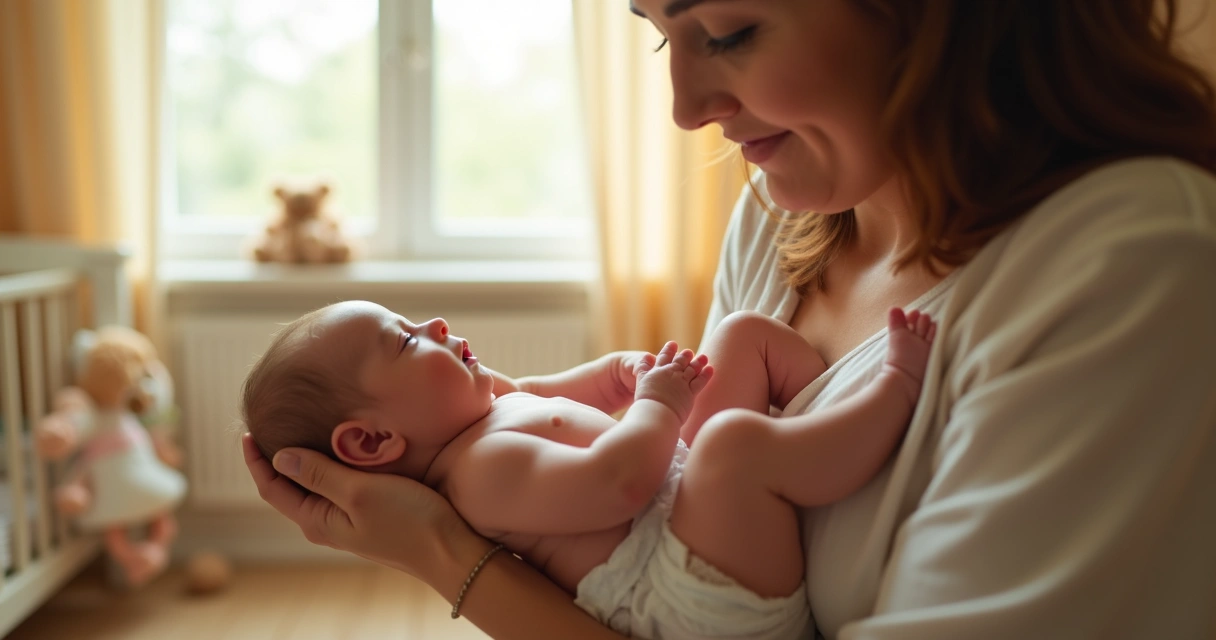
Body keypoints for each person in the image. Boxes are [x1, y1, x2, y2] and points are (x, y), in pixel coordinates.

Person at [243, 1, 1216, 638]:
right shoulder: (779, 221)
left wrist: (440, 553)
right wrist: (439, 541)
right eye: (665, 37)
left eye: (728, 30)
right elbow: (654, 479)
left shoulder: (1123, 259)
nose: (684, 107)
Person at [242, 300, 936, 639]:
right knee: (727, 445)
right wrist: (660, 404)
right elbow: (619, 482)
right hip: (692, 603)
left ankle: (815, 445)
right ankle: (891, 399)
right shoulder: (481, 476)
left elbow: (591, 388)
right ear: (371, 443)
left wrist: (627, 373)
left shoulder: (493, 407)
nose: (435, 324)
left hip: (678, 520)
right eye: (405, 339)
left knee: (740, 338)